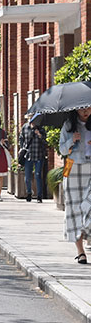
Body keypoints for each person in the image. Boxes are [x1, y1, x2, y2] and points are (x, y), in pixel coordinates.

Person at [59, 108, 91, 263]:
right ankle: (80, 251)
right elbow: (62, 149)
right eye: (82, 108)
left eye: (89, 107)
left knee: (88, 206)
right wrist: (72, 139)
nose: (86, 111)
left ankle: (88, 234)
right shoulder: (69, 125)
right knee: (74, 208)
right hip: (73, 168)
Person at [20, 116, 47, 202]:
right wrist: (21, 148)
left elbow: (45, 142)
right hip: (28, 155)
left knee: (38, 175)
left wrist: (39, 135)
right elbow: (21, 138)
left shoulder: (41, 129)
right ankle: (29, 193)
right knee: (27, 176)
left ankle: (39, 196)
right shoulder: (25, 127)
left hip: (39, 155)